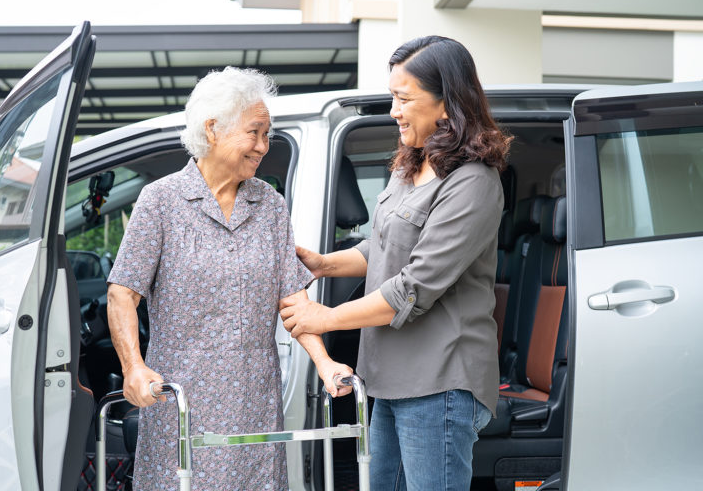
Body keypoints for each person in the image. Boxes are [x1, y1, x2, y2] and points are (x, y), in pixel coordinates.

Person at [280, 36, 510, 490]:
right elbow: (382, 246)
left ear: (448, 104)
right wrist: (324, 264)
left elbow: (412, 288)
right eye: (392, 97)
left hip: (438, 381)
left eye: (404, 99)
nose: (393, 110)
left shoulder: (473, 184)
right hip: (385, 378)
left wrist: (324, 318)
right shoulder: (411, 166)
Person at [106, 66, 352, 491]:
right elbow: (122, 293)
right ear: (213, 129)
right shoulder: (161, 200)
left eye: (266, 134)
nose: (263, 146)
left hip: (254, 399)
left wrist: (325, 363)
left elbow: (292, 301)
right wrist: (134, 367)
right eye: (254, 133)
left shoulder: (269, 203)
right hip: (180, 397)